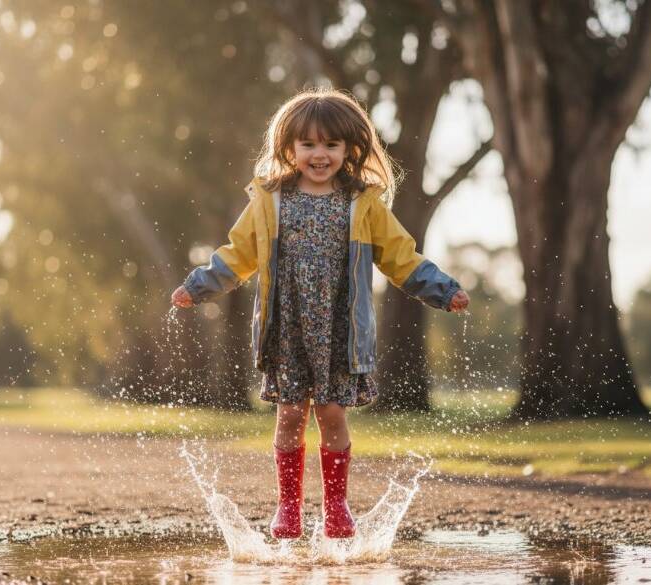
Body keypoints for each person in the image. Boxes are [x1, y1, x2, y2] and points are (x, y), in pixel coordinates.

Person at [171, 88, 469, 540]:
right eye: (308, 144)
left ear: (350, 149)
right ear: (289, 148)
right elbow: (237, 256)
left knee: (331, 413)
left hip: (339, 329)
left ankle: (336, 507)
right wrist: (198, 287)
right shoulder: (270, 202)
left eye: (331, 145)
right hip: (287, 327)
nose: (319, 154)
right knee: (290, 413)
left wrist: (443, 291)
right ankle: (288, 508)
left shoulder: (363, 203)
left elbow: (401, 257)